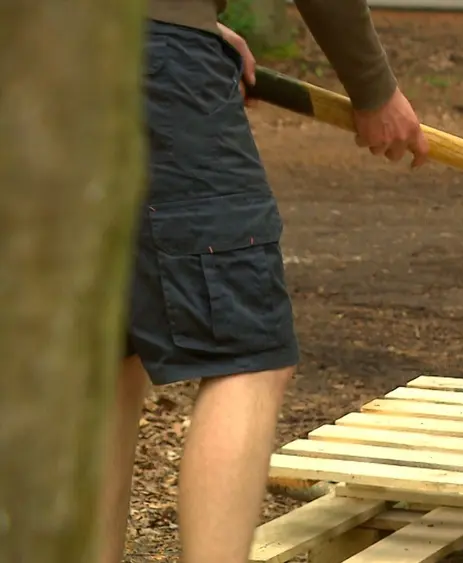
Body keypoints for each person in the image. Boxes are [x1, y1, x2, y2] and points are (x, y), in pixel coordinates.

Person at [98, 2, 430, 562]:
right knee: (247, 352)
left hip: (32, 63)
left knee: (102, 348)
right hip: (151, 62)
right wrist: (373, 88)